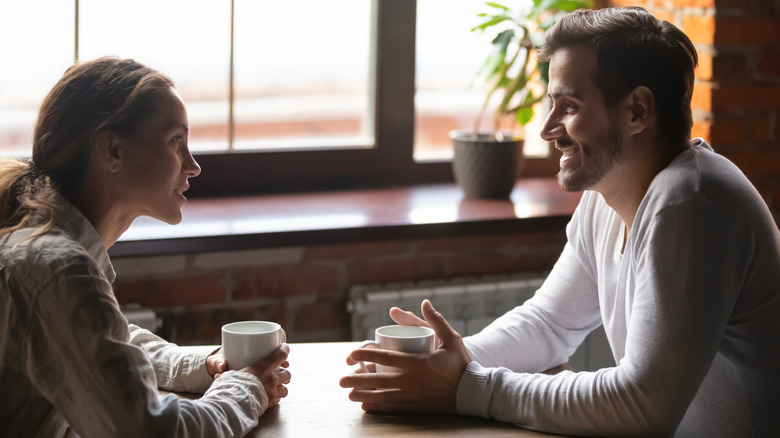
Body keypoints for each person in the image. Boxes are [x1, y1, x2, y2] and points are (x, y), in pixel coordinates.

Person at [340, 6, 780, 437]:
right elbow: (549, 323)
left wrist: (464, 386)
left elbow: (644, 406)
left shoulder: (691, 201)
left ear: (637, 112)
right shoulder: (607, 195)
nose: (547, 128)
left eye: (567, 106)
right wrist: (450, 360)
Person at [0, 57, 291, 437]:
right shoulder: (56, 267)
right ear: (112, 151)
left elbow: (99, 344)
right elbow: (151, 431)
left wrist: (206, 366)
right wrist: (248, 386)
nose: (193, 165)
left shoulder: (46, 248)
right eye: (176, 141)